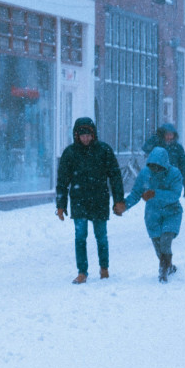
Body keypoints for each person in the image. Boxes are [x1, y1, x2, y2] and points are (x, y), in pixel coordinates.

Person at [56, 117, 125, 284]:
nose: (85, 139)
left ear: (94, 134)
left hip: (99, 200)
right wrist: (61, 205)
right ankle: (82, 272)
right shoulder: (70, 153)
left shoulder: (104, 151)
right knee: (80, 236)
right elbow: (62, 181)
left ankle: (104, 268)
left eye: (88, 135)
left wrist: (118, 200)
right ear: (76, 136)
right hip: (79, 201)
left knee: (101, 236)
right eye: (82, 135)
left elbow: (115, 176)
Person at [116, 146, 183, 283]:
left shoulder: (174, 174)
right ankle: (168, 265)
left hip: (172, 212)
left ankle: (163, 270)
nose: (155, 169)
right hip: (153, 214)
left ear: (164, 164)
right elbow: (136, 193)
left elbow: (175, 195)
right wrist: (125, 205)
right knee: (158, 245)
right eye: (152, 166)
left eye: (158, 166)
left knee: (166, 240)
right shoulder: (145, 174)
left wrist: (155, 194)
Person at [142, 123, 185, 198]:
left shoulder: (178, 148)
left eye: (171, 134)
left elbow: (183, 167)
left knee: (171, 203)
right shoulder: (157, 145)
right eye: (167, 134)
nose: (169, 137)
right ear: (162, 135)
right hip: (156, 181)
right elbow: (145, 148)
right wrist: (154, 138)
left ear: (174, 135)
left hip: (172, 181)